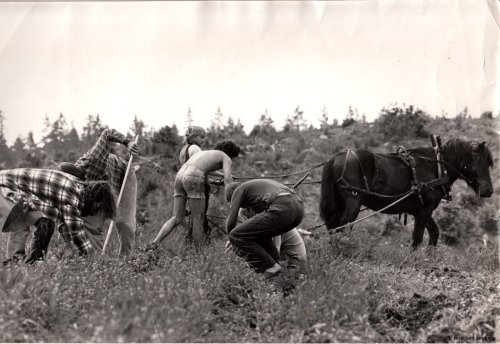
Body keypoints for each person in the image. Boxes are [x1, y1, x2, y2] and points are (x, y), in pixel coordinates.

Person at [0, 168, 117, 262]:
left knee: (46, 223)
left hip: (20, 192)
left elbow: (62, 218)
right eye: (98, 208)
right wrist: (94, 257)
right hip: (5, 186)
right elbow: (76, 232)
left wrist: (68, 245)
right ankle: (14, 262)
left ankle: (35, 261)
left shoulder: (78, 188)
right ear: (95, 199)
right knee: (22, 217)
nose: (95, 212)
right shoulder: (73, 196)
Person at [148, 140, 242, 250]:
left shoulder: (206, 153)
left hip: (180, 175)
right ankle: (199, 254)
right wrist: (232, 199)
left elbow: (206, 169)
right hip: (194, 176)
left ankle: (153, 244)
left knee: (176, 217)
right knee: (198, 218)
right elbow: (228, 180)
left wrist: (224, 176)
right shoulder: (226, 157)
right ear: (231, 153)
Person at [59, 128, 138, 255]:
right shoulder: (64, 191)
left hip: (123, 175)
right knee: (91, 224)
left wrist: (128, 142)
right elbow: (62, 217)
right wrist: (67, 244)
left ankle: (126, 258)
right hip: (98, 189)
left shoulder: (93, 161)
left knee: (124, 221)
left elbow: (107, 133)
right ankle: (92, 259)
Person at [225, 180, 304, 279]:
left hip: (283, 206)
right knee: (262, 235)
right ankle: (279, 271)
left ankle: (272, 267)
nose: (244, 207)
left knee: (235, 235)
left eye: (242, 205)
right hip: (298, 208)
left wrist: (232, 239)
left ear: (231, 198)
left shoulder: (238, 190)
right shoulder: (257, 196)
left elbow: (231, 222)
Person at [239, 207, 308, 274]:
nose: (247, 222)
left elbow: (274, 253)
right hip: (285, 258)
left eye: (248, 218)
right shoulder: (262, 219)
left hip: (294, 263)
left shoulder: (271, 220)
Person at [178, 126, 210, 242]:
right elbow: (203, 167)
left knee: (193, 215)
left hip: (185, 184)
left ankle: (189, 241)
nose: (204, 139)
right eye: (201, 137)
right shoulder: (195, 149)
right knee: (200, 216)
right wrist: (225, 175)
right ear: (193, 137)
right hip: (199, 185)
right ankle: (199, 242)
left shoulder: (184, 150)